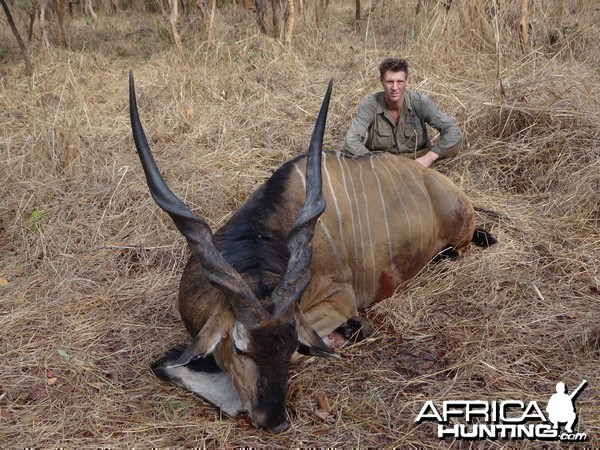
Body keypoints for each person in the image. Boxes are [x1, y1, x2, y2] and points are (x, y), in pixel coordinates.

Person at [344, 58, 462, 168]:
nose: (395, 88)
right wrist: (376, 163)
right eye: (390, 82)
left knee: (453, 147)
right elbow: (351, 141)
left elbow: (453, 131)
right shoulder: (370, 105)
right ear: (381, 81)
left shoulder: (420, 102)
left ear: (407, 81)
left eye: (399, 81)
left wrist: (428, 158)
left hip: (416, 160)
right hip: (382, 162)